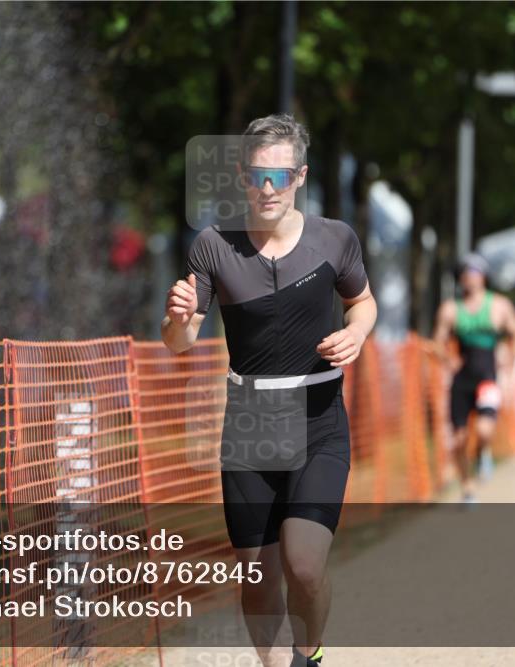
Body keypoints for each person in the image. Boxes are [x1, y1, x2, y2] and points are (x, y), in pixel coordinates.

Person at [161, 114, 376, 667]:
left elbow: (364, 301)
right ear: (242, 176)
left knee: (305, 564)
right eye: (259, 175)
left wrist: (356, 333)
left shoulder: (335, 239)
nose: (268, 188)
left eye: (280, 176)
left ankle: (312, 653)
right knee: (257, 579)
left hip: (318, 417)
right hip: (249, 426)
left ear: (300, 176)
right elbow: (180, 342)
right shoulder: (214, 246)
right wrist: (178, 317)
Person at [433, 253, 515, 503]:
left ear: (483, 276)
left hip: (488, 377)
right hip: (462, 379)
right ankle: (467, 487)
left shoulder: (499, 305)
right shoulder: (451, 309)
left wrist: (511, 356)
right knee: (460, 438)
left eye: (474, 272)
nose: (470, 278)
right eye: (465, 273)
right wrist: (447, 358)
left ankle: (483, 452)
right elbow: (438, 341)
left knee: (485, 430)